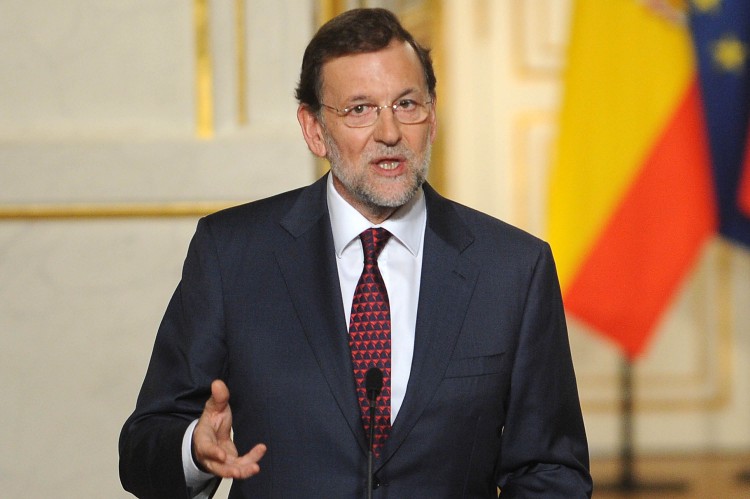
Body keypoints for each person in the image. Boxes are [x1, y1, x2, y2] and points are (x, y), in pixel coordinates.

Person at [119, 7, 592, 498]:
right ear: (314, 129)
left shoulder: (512, 269)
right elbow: (141, 449)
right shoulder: (233, 256)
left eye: (407, 104)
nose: (389, 132)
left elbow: (552, 472)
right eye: (360, 109)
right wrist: (194, 451)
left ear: (432, 117)